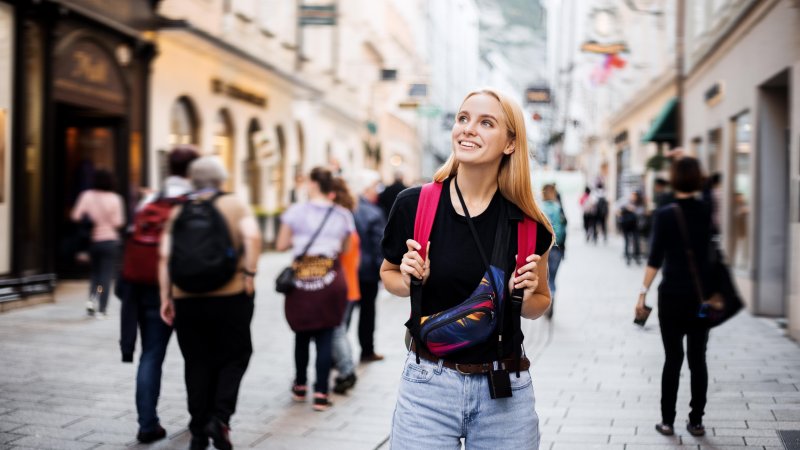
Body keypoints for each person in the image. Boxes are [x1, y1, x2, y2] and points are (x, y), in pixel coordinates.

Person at [380, 89, 554, 449]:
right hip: (427, 386)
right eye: (463, 119)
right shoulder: (415, 205)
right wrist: (409, 277)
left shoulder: (527, 224)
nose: (468, 129)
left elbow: (539, 305)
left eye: (485, 122)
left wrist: (525, 291)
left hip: (504, 393)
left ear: (510, 143)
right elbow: (389, 275)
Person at [159, 156, 261, 450]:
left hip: (187, 297)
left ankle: (198, 429)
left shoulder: (179, 211)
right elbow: (252, 237)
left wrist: (166, 296)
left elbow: (165, 257)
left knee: (196, 361)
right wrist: (250, 273)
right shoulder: (235, 204)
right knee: (236, 354)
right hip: (230, 295)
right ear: (221, 180)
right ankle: (220, 416)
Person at [118, 145, 198, 444]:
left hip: (146, 290)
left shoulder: (150, 200)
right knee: (196, 357)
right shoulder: (195, 202)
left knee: (151, 355)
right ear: (193, 170)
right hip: (187, 290)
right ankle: (198, 417)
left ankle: (147, 424)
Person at [635, 157, 713, 438]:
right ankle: (696, 420)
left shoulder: (665, 214)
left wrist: (642, 293)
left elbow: (654, 259)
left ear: (674, 180)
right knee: (698, 359)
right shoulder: (707, 211)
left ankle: (667, 421)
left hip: (671, 297)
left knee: (673, 359)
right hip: (700, 298)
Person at [276, 167, 355, 411]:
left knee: (301, 334)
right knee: (326, 335)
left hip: (301, 280)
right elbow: (347, 247)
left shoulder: (296, 212)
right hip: (331, 278)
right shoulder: (342, 214)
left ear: (312, 185)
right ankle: (321, 393)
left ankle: (300, 385)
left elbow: (280, 244)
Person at [70, 169, 125, 318]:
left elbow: (75, 216)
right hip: (110, 242)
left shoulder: (86, 195)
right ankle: (101, 308)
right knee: (104, 278)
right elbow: (118, 222)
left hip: (92, 242)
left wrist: (90, 220)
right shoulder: (115, 198)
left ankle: (91, 304)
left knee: (95, 275)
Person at [349, 169, 387, 362]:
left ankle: (335, 355)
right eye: (374, 187)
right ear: (366, 188)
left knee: (344, 314)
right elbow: (378, 246)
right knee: (367, 312)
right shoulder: (373, 212)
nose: (377, 191)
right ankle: (367, 350)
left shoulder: (346, 208)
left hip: (349, 270)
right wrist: (383, 273)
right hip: (368, 271)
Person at [329, 177, 359, 395]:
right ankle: (342, 366)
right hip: (350, 283)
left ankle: (347, 371)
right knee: (339, 329)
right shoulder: (348, 218)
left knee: (337, 331)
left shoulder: (338, 221)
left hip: (340, 285)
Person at [540, 183, 566, 320]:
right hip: (557, 248)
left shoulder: (540, 208)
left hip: (543, 250)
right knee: (553, 279)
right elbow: (563, 229)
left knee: (544, 277)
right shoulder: (558, 208)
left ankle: (546, 303)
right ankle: (552, 298)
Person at [618, 190, 645, 265]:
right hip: (626, 225)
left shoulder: (639, 204)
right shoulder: (625, 202)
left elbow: (641, 212)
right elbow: (617, 209)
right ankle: (627, 257)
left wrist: (633, 209)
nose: (633, 197)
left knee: (636, 241)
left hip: (635, 225)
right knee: (627, 241)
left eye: (635, 196)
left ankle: (637, 256)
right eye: (632, 195)